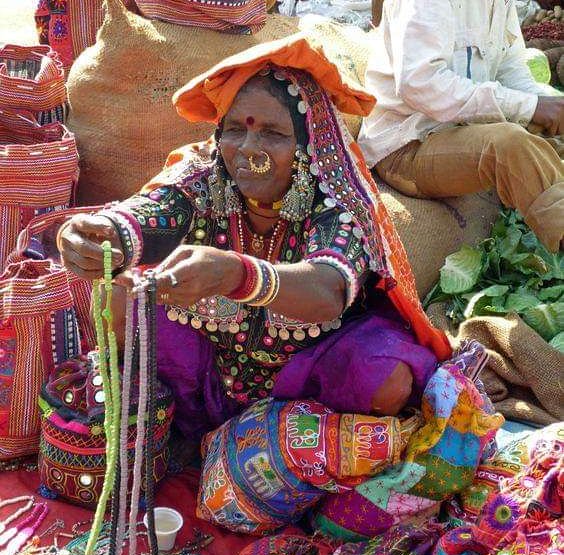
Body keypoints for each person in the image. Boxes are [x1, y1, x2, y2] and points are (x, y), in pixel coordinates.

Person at [57, 35, 450, 452]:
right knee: (119, 295)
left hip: (307, 376)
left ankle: (293, 447)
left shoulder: (339, 200)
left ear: (307, 144)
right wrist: (101, 233)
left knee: (385, 378)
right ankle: (179, 434)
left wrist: (235, 274)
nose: (248, 150)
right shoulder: (203, 179)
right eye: (233, 131)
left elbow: (328, 289)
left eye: (273, 134)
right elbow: (149, 214)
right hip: (209, 367)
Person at [358, 0, 564, 252]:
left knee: (549, 138)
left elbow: (512, 72)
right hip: (407, 146)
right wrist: (529, 107)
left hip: (462, 129)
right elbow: (419, 84)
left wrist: (546, 107)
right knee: (509, 144)